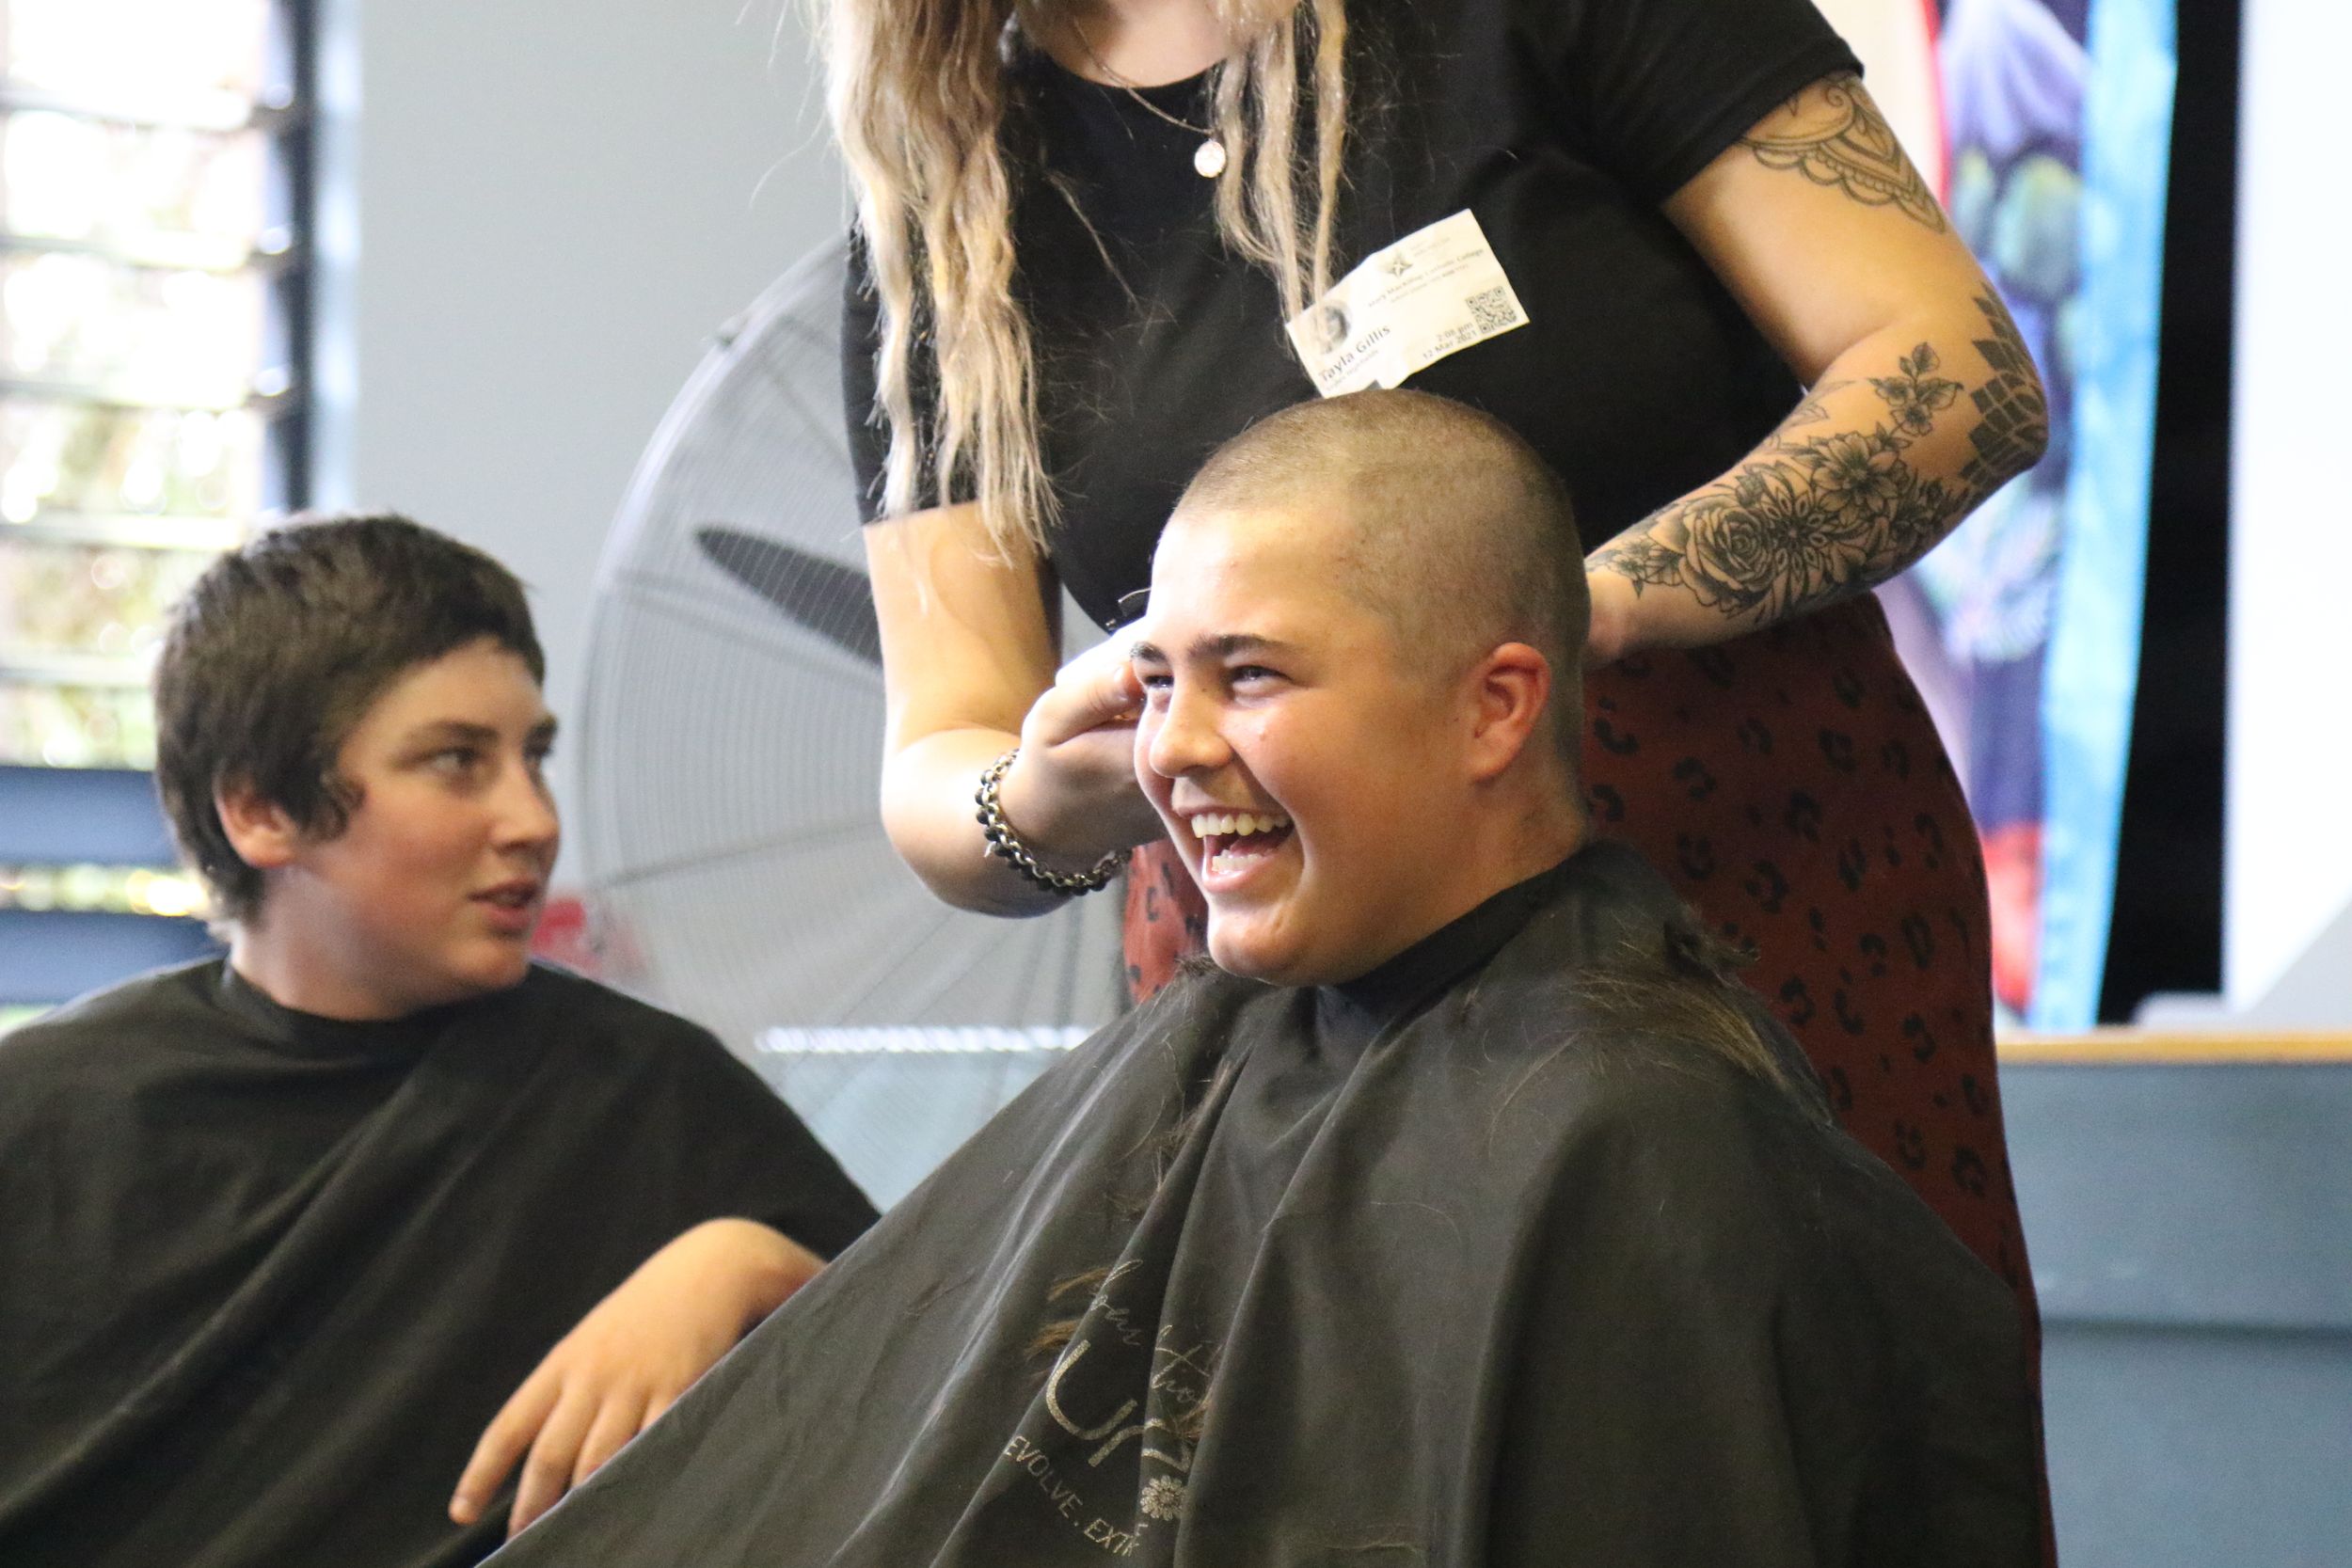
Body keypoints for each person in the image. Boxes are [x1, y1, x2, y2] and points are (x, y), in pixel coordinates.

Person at [481, 391, 2039, 1566]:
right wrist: (765, 1270)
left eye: (1253, 676)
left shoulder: (1631, 1143)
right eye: (1158, 679)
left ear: (1496, 707)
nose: (1171, 749)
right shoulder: (1215, 1050)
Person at [833, 0, 2051, 1415]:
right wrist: (1045, 795)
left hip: (1743, 904)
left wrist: (1573, 607)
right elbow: (945, 744)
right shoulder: (954, 190)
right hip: (1290, 994)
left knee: (1799, 1435)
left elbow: (1952, 373)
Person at [0, 515, 877, 1566]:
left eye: (533, 755)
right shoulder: (45, 1118)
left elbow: (942, 1395)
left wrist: (755, 1264)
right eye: (456, 760)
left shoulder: (654, 1101)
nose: (533, 819)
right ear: (262, 809)